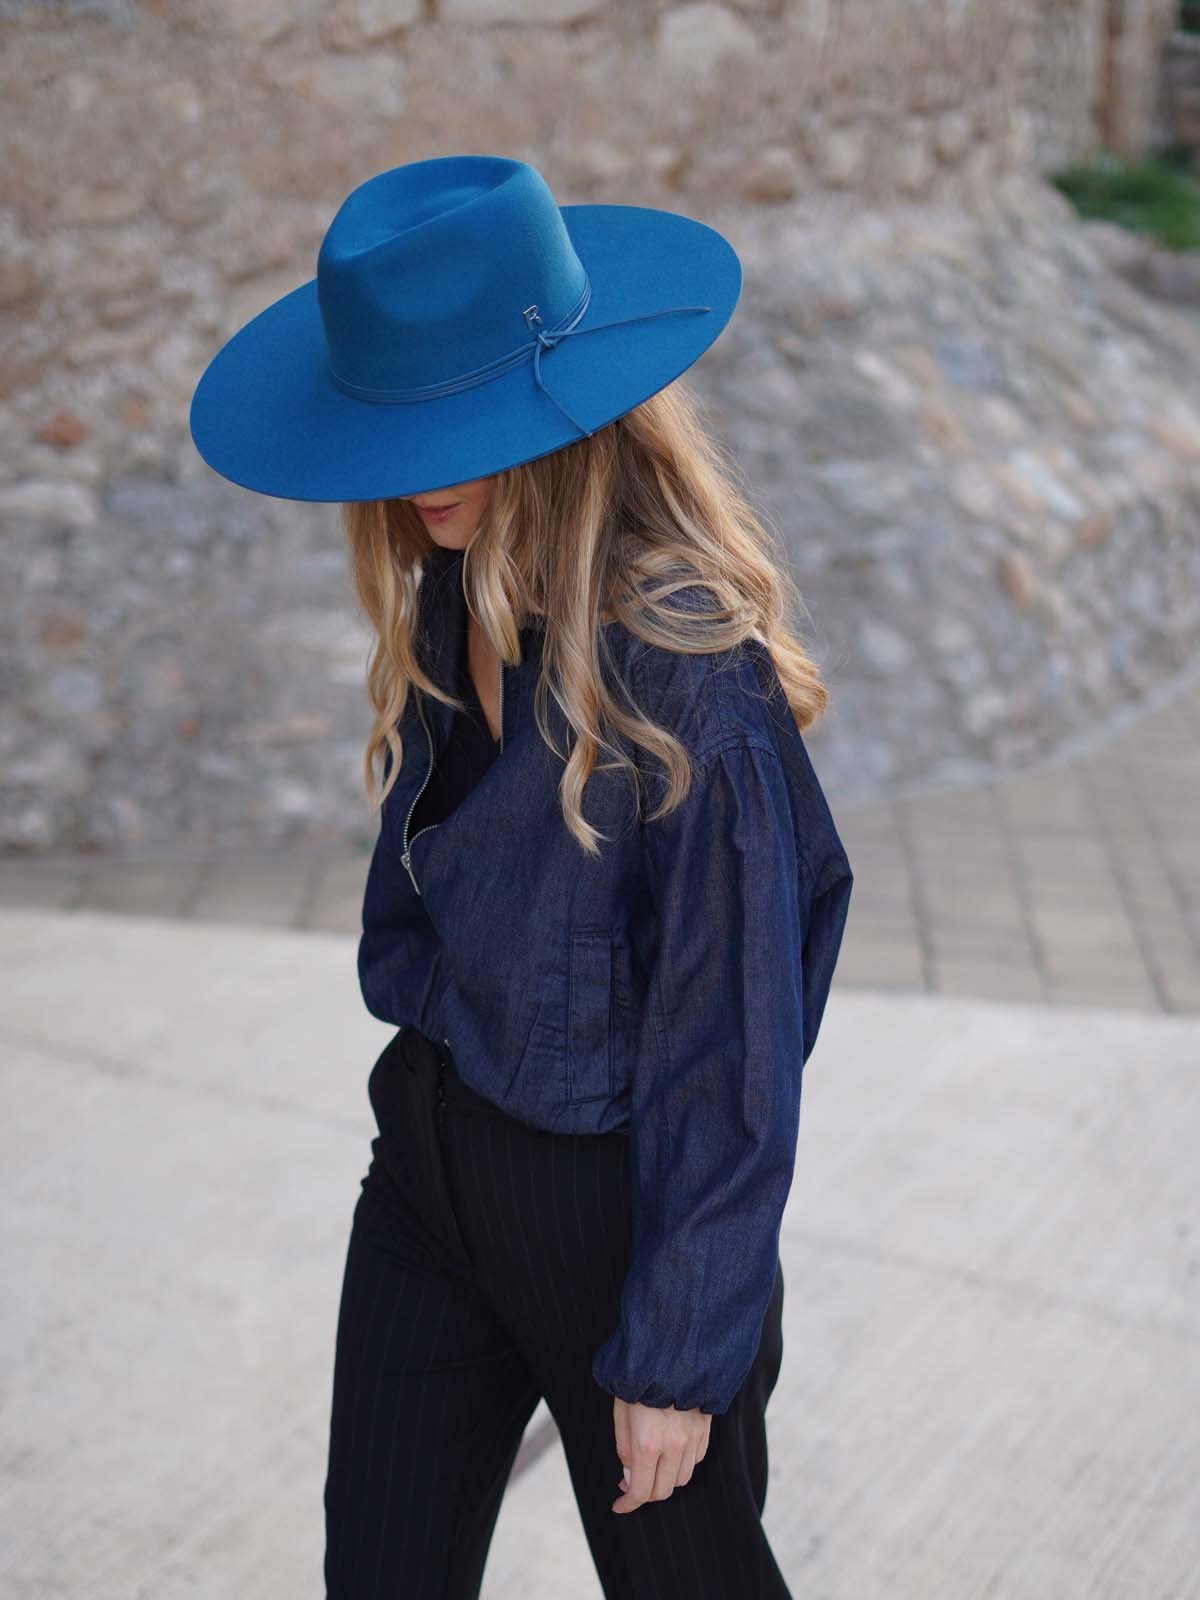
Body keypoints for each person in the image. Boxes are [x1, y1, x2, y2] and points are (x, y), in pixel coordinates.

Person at [190, 153, 854, 1599]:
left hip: (612, 1220)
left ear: (562, 418)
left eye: (461, 427)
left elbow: (737, 1042)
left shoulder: (690, 679)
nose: (424, 472)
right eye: (403, 425)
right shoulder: (453, 585)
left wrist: (678, 1350)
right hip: (427, 1167)